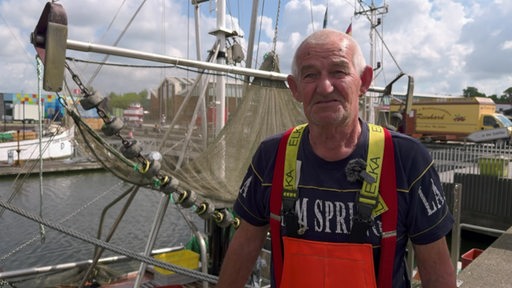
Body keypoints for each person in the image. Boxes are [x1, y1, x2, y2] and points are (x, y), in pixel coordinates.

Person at [217, 29, 456, 288]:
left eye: (338, 72)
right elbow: (244, 246)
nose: (325, 87)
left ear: (363, 81)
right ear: (295, 88)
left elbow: (436, 271)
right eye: (310, 75)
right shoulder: (272, 154)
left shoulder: (406, 159)